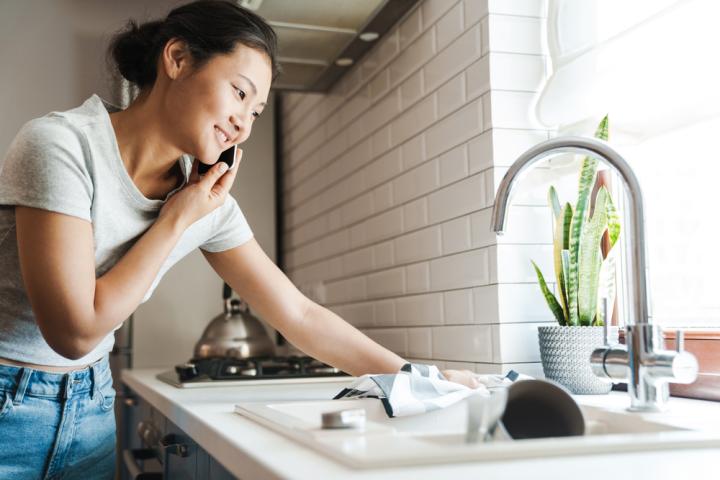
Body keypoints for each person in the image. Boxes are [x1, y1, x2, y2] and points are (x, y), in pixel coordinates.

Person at [0, 1, 479, 478]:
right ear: (178, 59)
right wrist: (175, 220)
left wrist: (421, 379)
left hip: (94, 404)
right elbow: (74, 332)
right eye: (239, 93)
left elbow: (300, 315)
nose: (243, 123)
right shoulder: (61, 146)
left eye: (256, 111)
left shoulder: (202, 199)